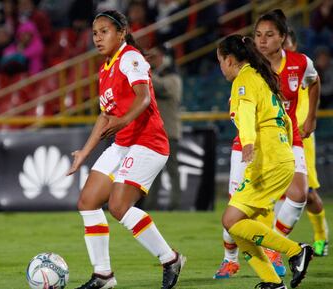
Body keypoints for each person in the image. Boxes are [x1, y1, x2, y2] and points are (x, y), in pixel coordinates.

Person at [66, 10, 185, 289]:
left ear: (122, 33)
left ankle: (170, 259)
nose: (98, 38)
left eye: (105, 31)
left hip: (148, 142)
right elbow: (104, 117)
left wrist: (122, 120)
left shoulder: (130, 57)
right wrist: (85, 152)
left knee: (119, 206)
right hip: (123, 144)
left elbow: (144, 98)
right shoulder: (105, 69)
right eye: (95, 33)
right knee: (87, 202)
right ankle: (103, 275)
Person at [213, 9, 320, 279]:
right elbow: (285, 118)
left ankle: (295, 250)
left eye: (220, 61)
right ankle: (272, 282)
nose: (220, 67)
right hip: (280, 156)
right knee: (238, 223)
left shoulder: (244, 81)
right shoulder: (262, 76)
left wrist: (248, 143)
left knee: (231, 221)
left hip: (266, 160)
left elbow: (247, 115)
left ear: (228, 59)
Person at [285, 29, 329, 257]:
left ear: (294, 44)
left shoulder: (300, 66)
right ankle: (274, 242)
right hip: (275, 137)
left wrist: (310, 119)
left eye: (287, 43)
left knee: (308, 193)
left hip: (301, 136)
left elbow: (316, 84)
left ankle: (321, 235)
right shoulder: (266, 67)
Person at [145, 44, 182, 210]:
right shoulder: (159, 76)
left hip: (169, 133)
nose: (153, 60)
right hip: (155, 133)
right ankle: (150, 205)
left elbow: (162, 87)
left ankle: (175, 205)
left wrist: (142, 69)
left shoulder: (173, 77)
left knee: (172, 171)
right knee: (153, 173)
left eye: (156, 56)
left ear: (165, 58)